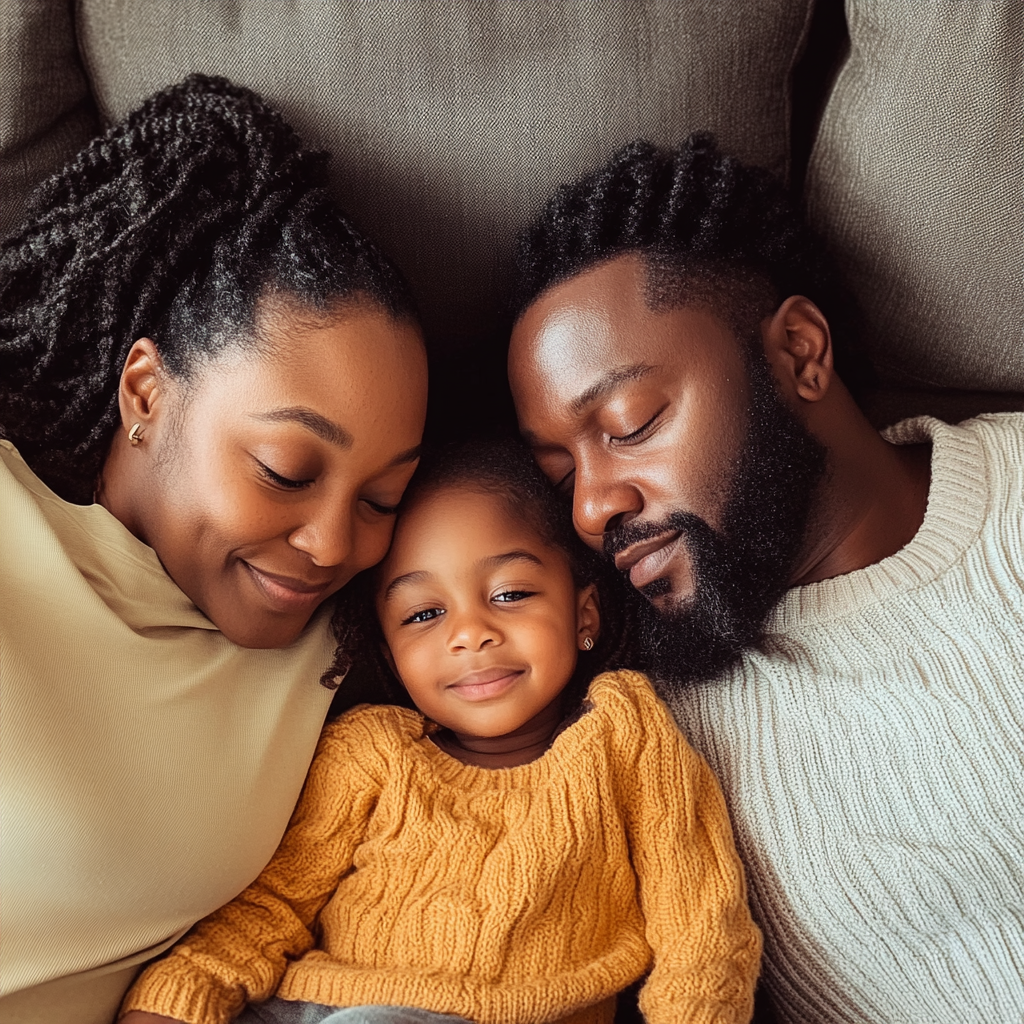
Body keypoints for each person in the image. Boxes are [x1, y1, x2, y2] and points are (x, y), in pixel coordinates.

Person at [506, 134, 1024, 1023]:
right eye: (560, 475)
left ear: (798, 352)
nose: (591, 509)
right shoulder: (645, 729)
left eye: (630, 423)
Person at [0, 76, 427, 1024]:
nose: (329, 545)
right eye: (283, 469)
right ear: (146, 393)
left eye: (383, 498)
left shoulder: (344, 651)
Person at [117, 440, 762, 1024]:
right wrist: (179, 999)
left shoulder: (626, 735)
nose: (468, 633)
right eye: (424, 613)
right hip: (323, 1006)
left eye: (509, 594)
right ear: (391, 651)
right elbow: (271, 909)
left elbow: (702, 931)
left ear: (583, 610)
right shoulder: (371, 752)